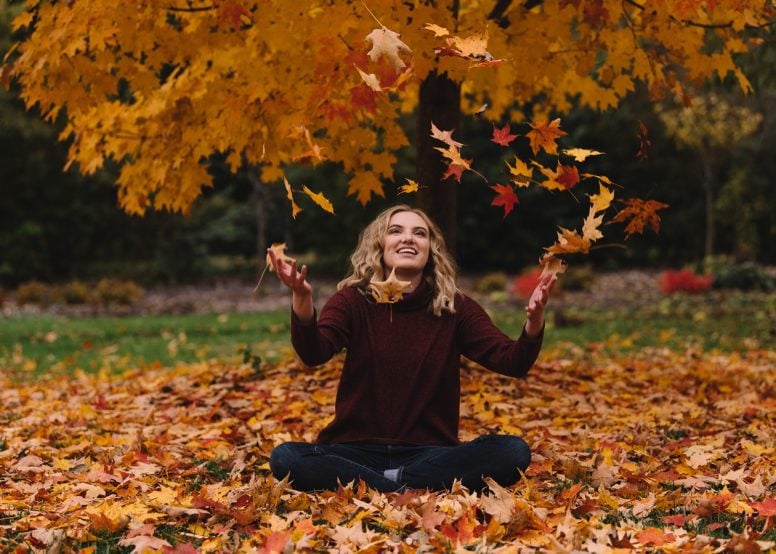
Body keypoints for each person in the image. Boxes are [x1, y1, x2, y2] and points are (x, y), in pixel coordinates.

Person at [267, 205, 555, 492]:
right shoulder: (353, 301)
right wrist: (302, 299)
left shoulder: (454, 307)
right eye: (396, 231)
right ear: (379, 245)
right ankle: (406, 485)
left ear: (431, 249)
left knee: (513, 451)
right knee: (286, 457)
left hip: (429, 453)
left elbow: (512, 361)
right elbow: (314, 352)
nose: (408, 238)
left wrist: (534, 320)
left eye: (420, 233)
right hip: (354, 451)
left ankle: (382, 485)